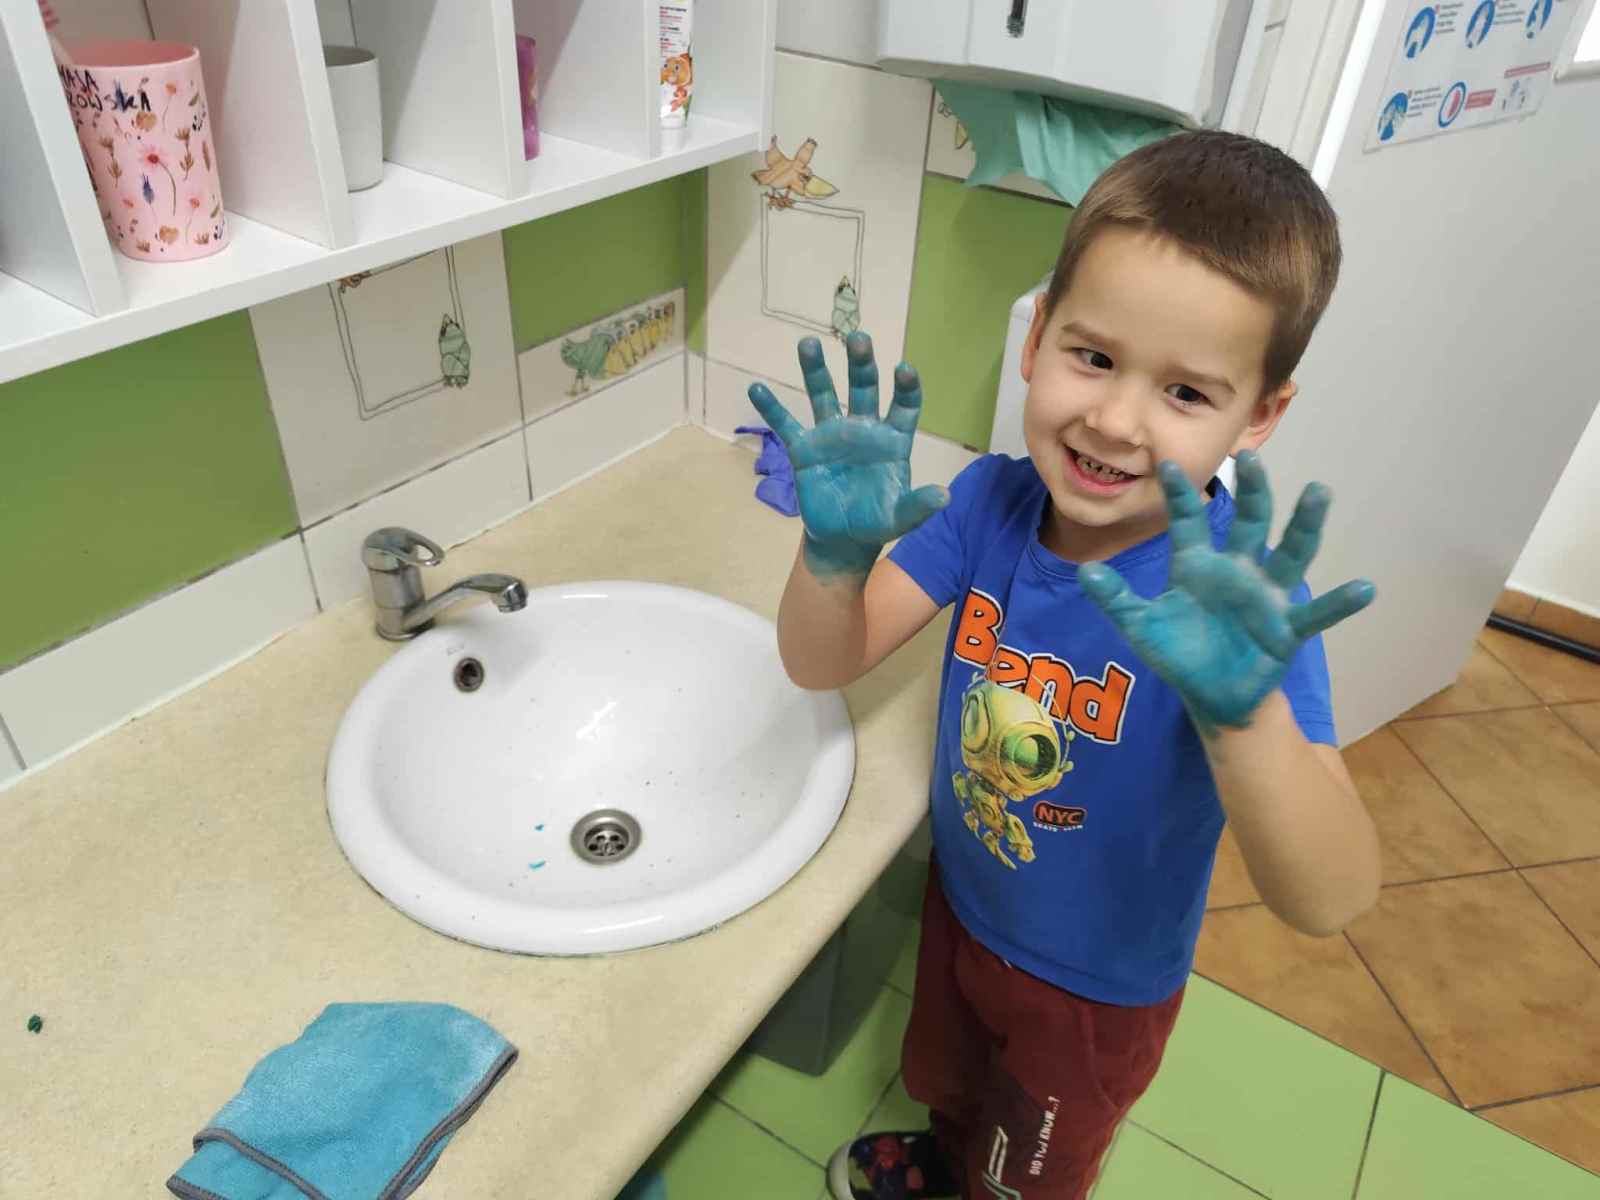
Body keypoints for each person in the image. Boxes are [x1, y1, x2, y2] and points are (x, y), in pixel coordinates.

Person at [745, 130, 1379, 1200]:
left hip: (1095, 988)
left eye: (1187, 394)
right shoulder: (988, 503)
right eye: (1093, 357)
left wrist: (1243, 719)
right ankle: (945, 1160)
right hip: (965, 901)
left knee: (1026, 1176)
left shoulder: (1237, 604)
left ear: (1260, 414)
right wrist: (832, 563)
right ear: (1037, 337)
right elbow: (822, 662)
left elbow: (1328, 898)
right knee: (950, 1089)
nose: (1114, 420)